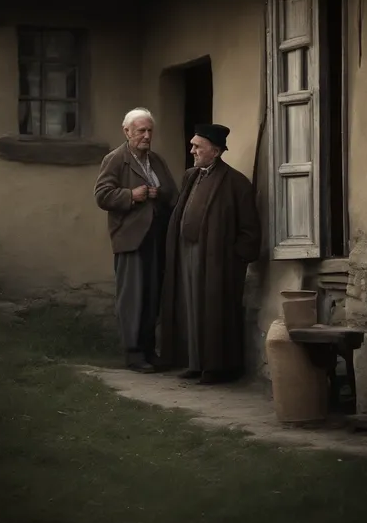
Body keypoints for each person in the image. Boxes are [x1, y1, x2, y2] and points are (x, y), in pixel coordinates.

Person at [160, 124, 261, 384]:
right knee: (191, 308)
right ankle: (194, 362)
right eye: (193, 145)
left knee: (213, 313)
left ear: (215, 151)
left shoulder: (236, 183)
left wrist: (233, 259)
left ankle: (216, 367)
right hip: (188, 253)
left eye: (197, 146)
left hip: (218, 261)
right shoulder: (191, 176)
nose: (192, 150)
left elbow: (250, 230)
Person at [94, 108, 178, 372]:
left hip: (155, 237)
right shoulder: (116, 159)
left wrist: (158, 192)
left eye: (149, 130)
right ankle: (133, 354)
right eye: (141, 130)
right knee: (132, 297)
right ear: (127, 131)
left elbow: (172, 193)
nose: (146, 135)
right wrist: (131, 195)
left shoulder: (156, 160)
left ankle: (149, 350)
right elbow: (102, 195)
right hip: (130, 237)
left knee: (152, 295)